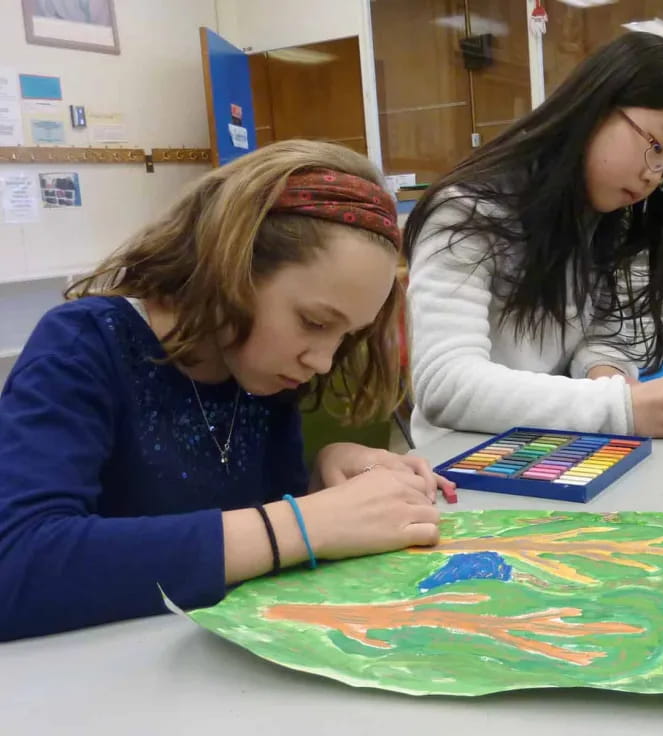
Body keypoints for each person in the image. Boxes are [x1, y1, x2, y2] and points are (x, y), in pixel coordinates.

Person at [0, 140, 452, 641]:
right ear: (230, 266)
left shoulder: (260, 371)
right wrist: (305, 522)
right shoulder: (84, 343)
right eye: (313, 321)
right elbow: (19, 563)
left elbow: (250, 528)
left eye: (344, 336)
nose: (322, 361)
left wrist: (318, 482)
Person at [404, 32, 663, 447]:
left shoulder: (607, 222)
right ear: (597, 106)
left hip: (562, 445)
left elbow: (609, 334)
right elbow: (445, 385)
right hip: (466, 461)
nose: (653, 175)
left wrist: (609, 378)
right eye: (657, 146)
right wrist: (619, 408)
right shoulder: (466, 212)